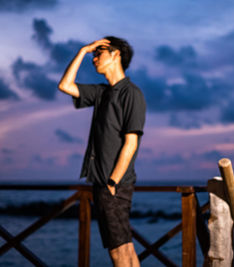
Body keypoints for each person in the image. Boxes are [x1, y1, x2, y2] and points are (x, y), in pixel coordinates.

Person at [58, 36, 146, 267]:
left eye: (99, 53)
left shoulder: (131, 93)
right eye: (93, 54)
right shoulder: (101, 93)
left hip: (114, 183)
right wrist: (82, 51)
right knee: (124, 249)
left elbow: (131, 142)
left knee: (119, 252)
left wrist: (113, 181)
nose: (94, 58)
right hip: (105, 182)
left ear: (116, 54)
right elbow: (65, 85)